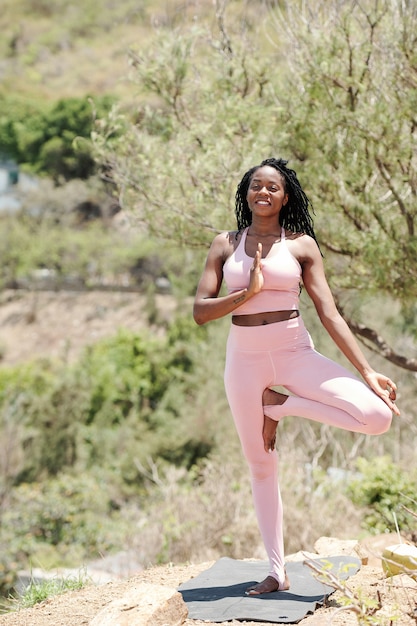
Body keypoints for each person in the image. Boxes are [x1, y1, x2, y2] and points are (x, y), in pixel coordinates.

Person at [193, 157, 400, 596]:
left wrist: (367, 371)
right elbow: (199, 312)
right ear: (246, 193)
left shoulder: (301, 245)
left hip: (294, 352)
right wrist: (245, 294)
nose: (263, 193)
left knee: (377, 417)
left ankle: (280, 406)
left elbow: (329, 313)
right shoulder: (225, 244)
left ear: (286, 196)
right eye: (256, 186)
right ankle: (276, 570)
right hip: (244, 360)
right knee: (261, 465)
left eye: (272, 187)